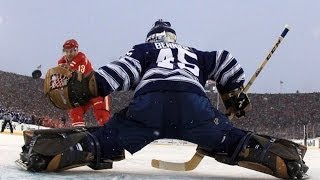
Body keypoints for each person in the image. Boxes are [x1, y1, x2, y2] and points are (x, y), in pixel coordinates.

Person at [18, 20, 308, 179]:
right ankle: (279, 155)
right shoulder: (194, 53)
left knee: (106, 139)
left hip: (150, 107)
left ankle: (54, 150)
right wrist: (233, 94)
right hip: (195, 107)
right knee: (231, 139)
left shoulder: (145, 50)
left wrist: (92, 84)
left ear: (152, 37)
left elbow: (122, 71)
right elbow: (226, 61)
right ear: (174, 38)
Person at [57, 39, 111, 126]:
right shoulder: (61, 63)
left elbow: (77, 76)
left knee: (101, 113)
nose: (68, 54)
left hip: (97, 89)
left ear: (76, 50)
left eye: (71, 51)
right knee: (74, 110)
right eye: (66, 51)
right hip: (83, 92)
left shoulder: (81, 58)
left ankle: (108, 131)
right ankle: (79, 131)